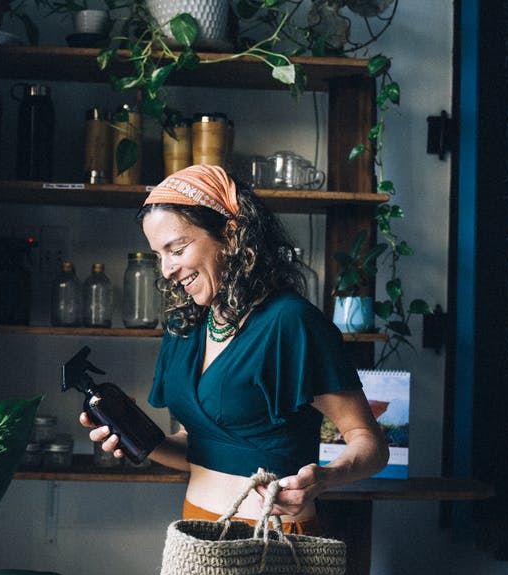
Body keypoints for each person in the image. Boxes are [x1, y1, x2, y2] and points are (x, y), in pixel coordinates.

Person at [80, 164, 389, 533]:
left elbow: (369, 443)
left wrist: (324, 477)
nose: (166, 270)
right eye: (158, 254)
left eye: (176, 249)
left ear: (230, 234)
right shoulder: (184, 326)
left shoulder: (291, 322)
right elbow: (200, 449)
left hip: (272, 536)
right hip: (195, 527)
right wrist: (137, 440)